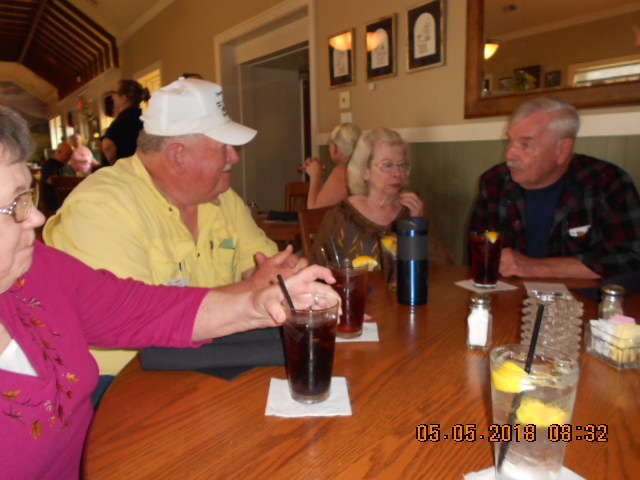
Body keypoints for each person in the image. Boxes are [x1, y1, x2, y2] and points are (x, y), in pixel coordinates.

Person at [0, 104, 338, 479]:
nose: (37, 217)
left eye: (28, 197)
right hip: (127, 390)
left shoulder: (39, 271)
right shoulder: (102, 204)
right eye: (14, 205)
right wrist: (253, 292)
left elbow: (140, 310)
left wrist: (259, 303)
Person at [44, 77, 307, 375]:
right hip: (124, 380)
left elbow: (266, 270)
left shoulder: (222, 198)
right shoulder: (100, 209)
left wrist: (284, 278)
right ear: (178, 156)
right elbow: (133, 320)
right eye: (223, 147)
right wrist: (252, 291)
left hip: (211, 360)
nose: (234, 157)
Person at [469, 96, 640, 279]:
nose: (510, 154)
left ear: (562, 150)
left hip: (582, 295)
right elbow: (478, 254)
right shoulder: (494, 182)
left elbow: (631, 257)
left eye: (526, 144)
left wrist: (536, 268)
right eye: (510, 141)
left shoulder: (607, 182)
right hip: (510, 293)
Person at [311, 128, 453, 267]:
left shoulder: (413, 209)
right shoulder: (341, 215)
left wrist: (418, 226)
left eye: (402, 165)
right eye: (387, 165)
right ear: (365, 171)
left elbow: (445, 266)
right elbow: (316, 266)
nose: (397, 173)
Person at [300, 123, 361, 209]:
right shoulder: (361, 169)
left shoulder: (342, 172)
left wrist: (315, 176)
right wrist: (320, 177)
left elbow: (315, 211)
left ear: (334, 148)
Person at [100, 79, 150, 164]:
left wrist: (116, 166)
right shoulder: (143, 118)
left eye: (114, 93)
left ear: (123, 98)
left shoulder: (123, 119)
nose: (112, 97)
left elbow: (107, 146)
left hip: (126, 168)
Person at [40, 140, 74, 211]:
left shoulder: (67, 166)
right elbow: (50, 181)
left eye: (71, 155)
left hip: (68, 199)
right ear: (59, 152)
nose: (69, 158)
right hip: (56, 202)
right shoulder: (49, 165)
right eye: (67, 154)